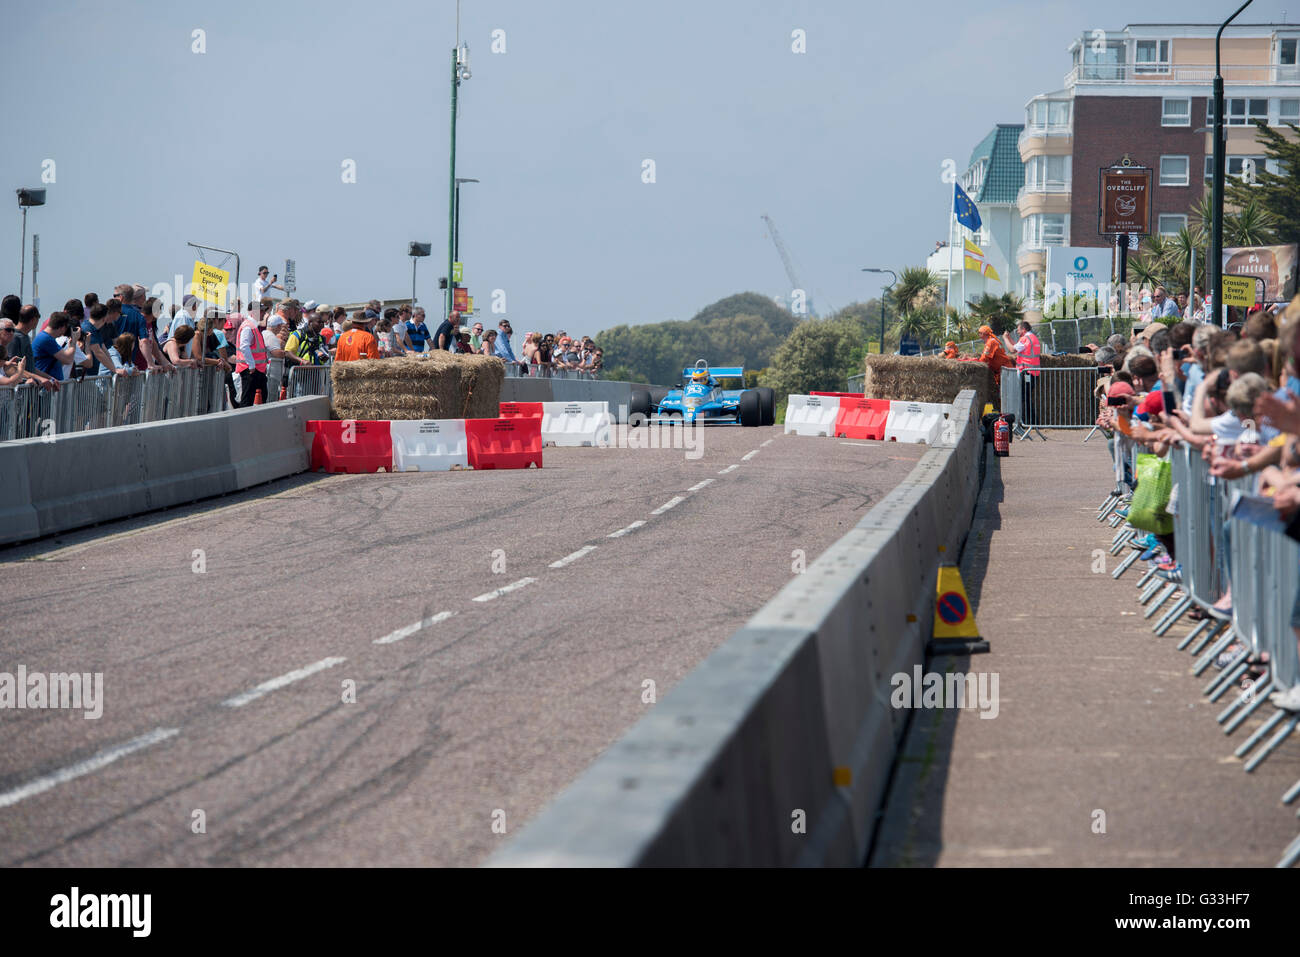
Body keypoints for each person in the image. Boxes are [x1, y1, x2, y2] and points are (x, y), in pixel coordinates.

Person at [1003, 320, 1042, 424]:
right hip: (1033, 372)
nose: (1017, 332)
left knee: (1024, 399)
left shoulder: (1025, 338)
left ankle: (1030, 422)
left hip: (1027, 373)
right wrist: (1010, 339)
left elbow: (1012, 349)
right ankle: (1031, 422)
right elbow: (1017, 347)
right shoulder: (1032, 338)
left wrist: (1005, 339)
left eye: (1019, 329)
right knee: (1026, 398)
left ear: (1024, 329)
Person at [233, 307, 269, 406]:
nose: (263, 313)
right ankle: (243, 421)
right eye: (261, 311)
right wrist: (252, 365)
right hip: (250, 370)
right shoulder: (248, 326)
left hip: (255, 370)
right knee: (247, 400)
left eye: (264, 311)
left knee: (258, 399)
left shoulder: (252, 326)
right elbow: (244, 346)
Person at [32, 311, 77, 380]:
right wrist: (74, 341)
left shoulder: (46, 338)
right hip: (46, 387)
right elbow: (68, 360)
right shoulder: (46, 339)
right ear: (62, 327)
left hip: (50, 385)